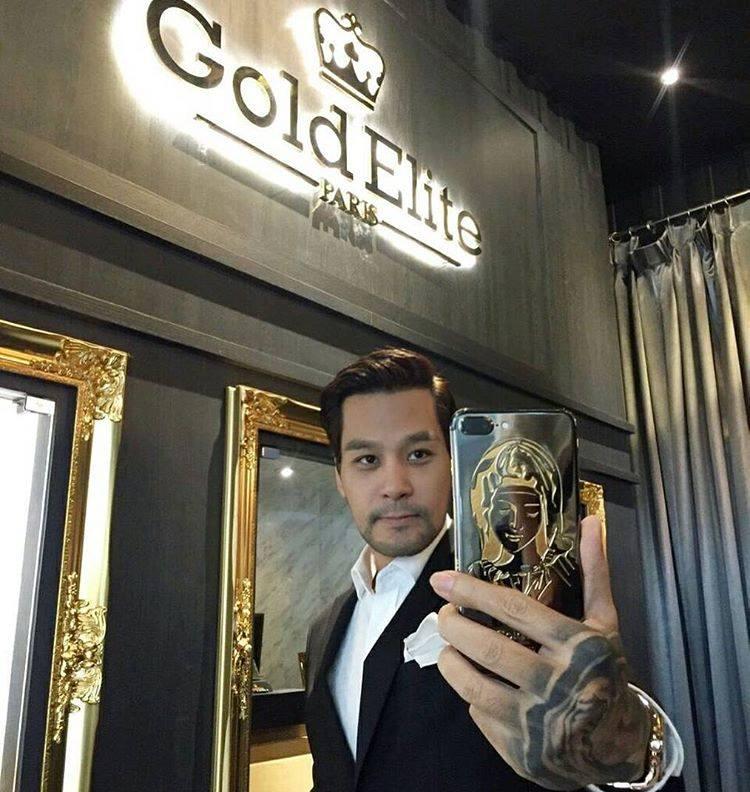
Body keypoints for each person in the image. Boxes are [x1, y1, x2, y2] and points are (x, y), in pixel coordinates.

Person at [304, 347, 680, 792]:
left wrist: (629, 751)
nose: (395, 486)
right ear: (340, 477)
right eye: (367, 460)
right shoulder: (325, 628)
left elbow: (598, 737)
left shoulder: (524, 593)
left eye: (419, 454)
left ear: (451, 463)